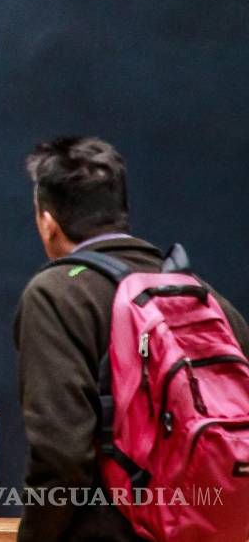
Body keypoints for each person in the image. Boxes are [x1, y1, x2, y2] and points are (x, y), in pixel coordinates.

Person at [15, 137, 249, 541]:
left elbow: (62, 455)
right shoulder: (203, 297)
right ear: (120, 212)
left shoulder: (57, 294)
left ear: (48, 221)